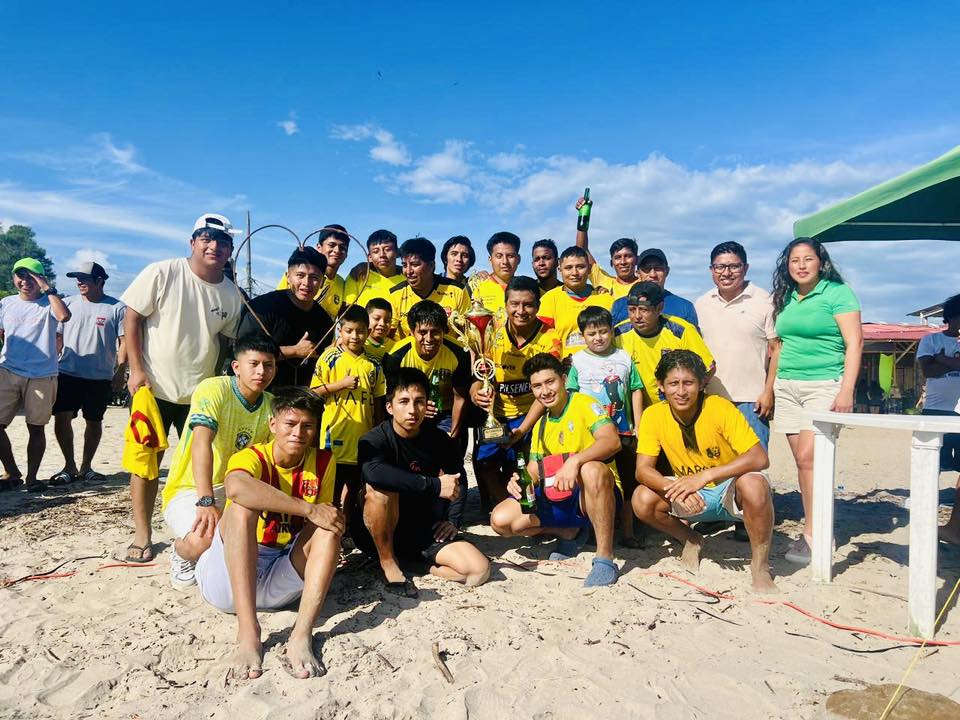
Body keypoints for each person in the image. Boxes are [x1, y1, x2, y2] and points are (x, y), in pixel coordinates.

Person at [195, 387, 341, 680]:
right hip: (228, 583)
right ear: (273, 424)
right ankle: (249, 633)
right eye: (291, 423)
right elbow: (236, 487)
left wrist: (322, 517)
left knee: (328, 528)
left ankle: (301, 636)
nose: (298, 432)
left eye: (307, 426)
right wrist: (307, 509)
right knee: (240, 508)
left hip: (280, 575)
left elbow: (323, 518)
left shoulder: (323, 462)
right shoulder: (252, 456)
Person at [121, 213, 243, 562]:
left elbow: (227, 342)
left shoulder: (232, 293)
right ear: (192, 242)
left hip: (201, 396)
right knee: (145, 464)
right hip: (153, 388)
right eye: (206, 238)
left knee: (204, 466)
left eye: (223, 242)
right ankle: (143, 534)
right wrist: (136, 369)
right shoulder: (163, 272)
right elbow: (132, 317)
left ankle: (199, 530)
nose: (214, 246)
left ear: (230, 250)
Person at [632, 350, 777, 592]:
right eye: (673, 383)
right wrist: (674, 488)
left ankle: (760, 566)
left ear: (701, 384)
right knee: (641, 498)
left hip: (728, 489)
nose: (681, 391)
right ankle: (690, 539)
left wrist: (706, 476)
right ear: (661, 386)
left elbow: (759, 457)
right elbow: (642, 470)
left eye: (688, 383)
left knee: (755, 484)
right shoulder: (653, 415)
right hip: (690, 493)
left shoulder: (719, 407)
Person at [355, 368, 490, 596]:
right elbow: (374, 473)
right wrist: (434, 485)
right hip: (381, 530)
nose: (412, 410)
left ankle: (413, 564)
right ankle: (387, 561)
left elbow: (458, 478)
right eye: (404, 402)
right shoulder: (374, 439)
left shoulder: (438, 439)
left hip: (424, 528)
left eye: (419, 402)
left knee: (478, 571)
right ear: (389, 407)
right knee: (380, 491)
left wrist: (453, 520)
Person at [490, 353, 622, 587]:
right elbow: (534, 469)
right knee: (501, 520)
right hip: (558, 493)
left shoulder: (583, 403)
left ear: (563, 379)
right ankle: (568, 532)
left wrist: (575, 461)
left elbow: (612, 441)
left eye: (550, 382)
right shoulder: (541, 423)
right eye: (537, 386)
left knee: (592, 470)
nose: (545, 391)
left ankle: (604, 557)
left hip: (591, 494)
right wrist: (520, 480)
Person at [770, 237, 862, 565]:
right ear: (787, 265)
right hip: (787, 387)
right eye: (794, 260)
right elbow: (779, 346)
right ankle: (814, 524)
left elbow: (855, 343)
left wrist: (847, 390)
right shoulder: (785, 297)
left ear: (821, 262)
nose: (801, 265)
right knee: (804, 463)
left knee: (810, 457)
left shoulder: (838, 293)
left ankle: (815, 533)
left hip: (824, 385)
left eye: (808, 259)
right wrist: (770, 386)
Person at [161, 337, 277, 589]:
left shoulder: (271, 404)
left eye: (268, 365)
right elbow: (201, 442)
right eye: (254, 364)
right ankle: (180, 553)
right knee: (202, 541)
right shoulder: (214, 389)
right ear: (236, 367)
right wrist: (205, 500)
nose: (261, 371)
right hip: (192, 488)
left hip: (237, 489)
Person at [470, 276, 561, 511]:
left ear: (538, 306)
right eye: (515, 304)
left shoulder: (550, 338)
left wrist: (522, 430)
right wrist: (475, 393)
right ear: (505, 305)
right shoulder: (491, 333)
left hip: (533, 414)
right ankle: (507, 507)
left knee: (527, 466)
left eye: (528, 304)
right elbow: (479, 375)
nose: (521, 311)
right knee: (485, 462)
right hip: (497, 416)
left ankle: (531, 509)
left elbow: (546, 394)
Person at [567, 307, 644, 548]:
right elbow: (571, 395)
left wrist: (638, 425)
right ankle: (590, 530)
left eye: (603, 332)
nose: (598, 338)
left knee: (628, 482)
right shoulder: (577, 361)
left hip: (623, 432)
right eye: (592, 334)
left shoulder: (624, 357)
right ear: (583, 335)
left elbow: (636, 390)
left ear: (611, 331)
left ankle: (628, 533)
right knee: (592, 482)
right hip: (592, 437)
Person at [694, 242, 777, 449]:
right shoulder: (701, 304)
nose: (726, 273)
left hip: (752, 401)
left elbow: (777, 350)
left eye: (734, 266)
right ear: (711, 270)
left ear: (745, 268)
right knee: (716, 463)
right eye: (720, 267)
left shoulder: (765, 301)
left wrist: (768, 391)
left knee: (754, 462)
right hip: (710, 399)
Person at [50, 261, 125, 487]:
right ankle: (69, 466)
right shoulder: (67, 304)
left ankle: (86, 467)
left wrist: (121, 371)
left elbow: (124, 342)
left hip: (99, 376)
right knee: (62, 417)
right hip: (67, 371)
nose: (79, 282)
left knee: (94, 421)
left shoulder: (116, 308)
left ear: (100, 281)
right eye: (78, 278)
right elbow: (57, 338)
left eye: (84, 278)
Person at [0, 257, 71, 492]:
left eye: (31, 276)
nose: (25, 281)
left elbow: (64, 316)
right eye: (20, 276)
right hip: (8, 370)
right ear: (14, 277)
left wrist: (47, 288)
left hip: (42, 374)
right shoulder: (6, 303)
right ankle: (12, 472)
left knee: (36, 427)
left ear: (40, 279)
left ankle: (32, 478)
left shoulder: (49, 303)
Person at [310, 305, 387, 518]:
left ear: (368, 332)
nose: (354, 336)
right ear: (340, 331)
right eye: (349, 331)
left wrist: (379, 432)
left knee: (354, 488)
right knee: (331, 489)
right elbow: (313, 392)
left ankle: (348, 527)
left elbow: (378, 400)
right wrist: (341, 384)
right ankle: (331, 527)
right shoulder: (329, 358)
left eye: (360, 331)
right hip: (334, 437)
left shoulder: (373, 364)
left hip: (362, 439)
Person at [236, 247, 334, 387]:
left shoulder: (324, 320)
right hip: (259, 392)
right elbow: (243, 353)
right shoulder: (262, 308)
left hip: (299, 395)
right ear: (288, 277)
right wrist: (294, 351)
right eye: (300, 275)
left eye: (314, 278)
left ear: (322, 282)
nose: (306, 283)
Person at [382, 301, 471, 442]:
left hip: (445, 414)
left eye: (435, 332)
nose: (429, 339)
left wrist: (452, 438)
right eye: (422, 332)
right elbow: (392, 400)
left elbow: (460, 397)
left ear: (444, 331)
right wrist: (419, 407)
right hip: (409, 411)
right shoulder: (395, 356)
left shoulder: (459, 353)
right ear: (412, 332)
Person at [615, 282, 714, 407]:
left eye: (644, 310)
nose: (637, 316)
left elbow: (709, 368)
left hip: (674, 409)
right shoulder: (618, 334)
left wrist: (685, 400)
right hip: (636, 410)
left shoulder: (681, 330)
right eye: (632, 310)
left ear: (659, 308)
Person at [917, 293, 960, 544]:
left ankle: (954, 525)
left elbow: (937, 365)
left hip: (959, 413)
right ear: (951, 317)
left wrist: (943, 360)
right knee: (931, 464)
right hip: (935, 410)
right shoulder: (931, 340)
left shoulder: (938, 348)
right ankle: (924, 509)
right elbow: (928, 370)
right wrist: (953, 362)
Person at [538, 246, 613, 357]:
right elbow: (542, 338)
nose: (575, 273)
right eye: (568, 268)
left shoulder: (605, 299)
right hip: (564, 365)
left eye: (580, 267)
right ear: (560, 270)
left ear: (589, 269)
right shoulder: (549, 299)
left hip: (603, 364)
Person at [388, 238, 469, 340]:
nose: (408, 271)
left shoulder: (458, 291)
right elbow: (388, 338)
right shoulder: (395, 295)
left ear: (431, 266)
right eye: (404, 265)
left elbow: (469, 335)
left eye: (415, 265)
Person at [611, 248, 699, 333]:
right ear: (638, 273)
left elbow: (693, 340)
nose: (652, 274)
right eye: (646, 269)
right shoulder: (620, 305)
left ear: (667, 271)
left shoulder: (685, 307)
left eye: (658, 268)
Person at [277, 224, 349, 320]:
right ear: (319, 247)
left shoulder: (342, 283)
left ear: (347, 254)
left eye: (342, 248)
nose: (337, 250)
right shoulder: (297, 275)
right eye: (331, 245)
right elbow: (277, 303)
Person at [344, 229, 404, 309]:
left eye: (387, 249)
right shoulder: (359, 275)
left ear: (396, 252)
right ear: (369, 257)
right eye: (376, 251)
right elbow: (347, 309)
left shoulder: (408, 278)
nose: (382, 255)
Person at [472, 232, 522, 316]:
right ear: (490, 259)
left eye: (510, 256)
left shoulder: (527, 287)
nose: (505, 262)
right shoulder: (476, 286)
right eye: (499, 256)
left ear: (518, 259)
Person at [364, 297, 396, 363]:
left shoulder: (394, 347)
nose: (382, 324)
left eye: (387, 320)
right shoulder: (360, 344)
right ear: (365, 318)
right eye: (376, 318)